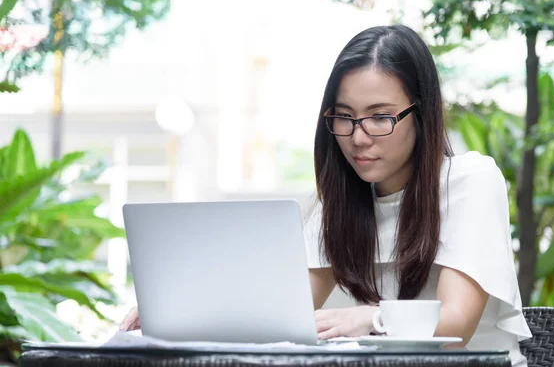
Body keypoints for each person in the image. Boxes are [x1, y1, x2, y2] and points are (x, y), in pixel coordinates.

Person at [120, 24, 532, 366]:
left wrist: (367, 320)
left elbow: (455, 327)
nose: (358, 138)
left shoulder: (470, 180)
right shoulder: (340, 207)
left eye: (380, 117)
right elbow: (278, 314)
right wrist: (179, 314)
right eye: (345, 117)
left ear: (421, 116)